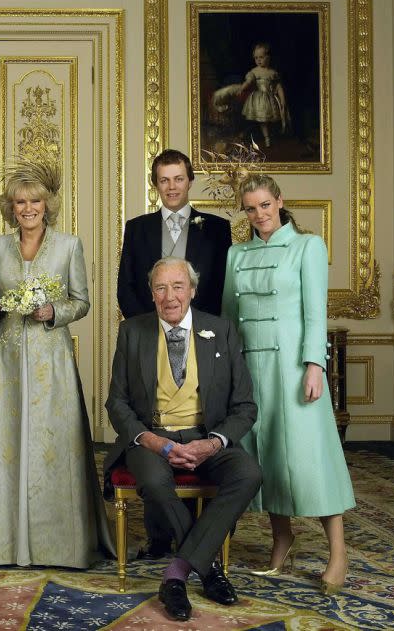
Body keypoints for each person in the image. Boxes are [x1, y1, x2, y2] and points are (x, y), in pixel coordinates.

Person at [0, 159, 113, 568]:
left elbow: (82, 302)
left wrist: (55, 312)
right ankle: (4, 545)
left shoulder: (69, 245)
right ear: (10, 207)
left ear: (47, 204)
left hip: (52, 358)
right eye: (19, 202)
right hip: (8, 357)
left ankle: (60, 545)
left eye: (34, 201)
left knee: (56, 440)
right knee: (6, 442)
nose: (28, 208)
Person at [105, 257, 261, 622]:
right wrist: (152, 441)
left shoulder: (220, 330)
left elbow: (244, 406)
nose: (169, 296)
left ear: (192, 290)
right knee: (155, 482)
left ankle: (175, 574)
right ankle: (207, 569)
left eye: (178, 287)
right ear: (152, 293)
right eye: (161, 288)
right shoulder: (133, 331)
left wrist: (212, 443)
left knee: (249, 474)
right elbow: (117, 402)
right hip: (152, 439)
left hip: (206, 437)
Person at [222, 174, 355, 594]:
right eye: (250, 208)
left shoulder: (308, 246)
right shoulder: (235, 254)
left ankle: (339, 552)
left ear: (279, 201)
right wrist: (225, 372)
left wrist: (315, 364)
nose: (259, 214)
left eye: (265, 204)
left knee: (309, 458)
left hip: (296, 369)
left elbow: (316, 312)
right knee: (263, 456)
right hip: (249, 370)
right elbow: (228, 318)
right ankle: (282, 537)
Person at [116, 148, 231, 557]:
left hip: (200, 337)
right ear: (155, 184)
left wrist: (196, 330)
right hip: (151, 338)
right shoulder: (139, 227)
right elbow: (126, 286)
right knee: (153, 425)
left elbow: (217, 290)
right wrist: (152, 331)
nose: (171, 187)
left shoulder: (217, 229)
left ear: (189, 181)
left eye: (178, 179)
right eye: (163, 180)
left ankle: (197, 532)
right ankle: (158, 538)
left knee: (199, 426)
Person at [239, 43, 289, 148]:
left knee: (269, 120)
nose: (258, 60)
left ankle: (270, 136)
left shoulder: (272, 73)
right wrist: (242, 88)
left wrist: (282, 100)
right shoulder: (254, 71)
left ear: (268, 57)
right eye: (256, 58)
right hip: (258, 100)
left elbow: (278, 87)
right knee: (261, 120)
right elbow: (248, 82)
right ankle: (266, 138)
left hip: (270, 99)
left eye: (261, 57)